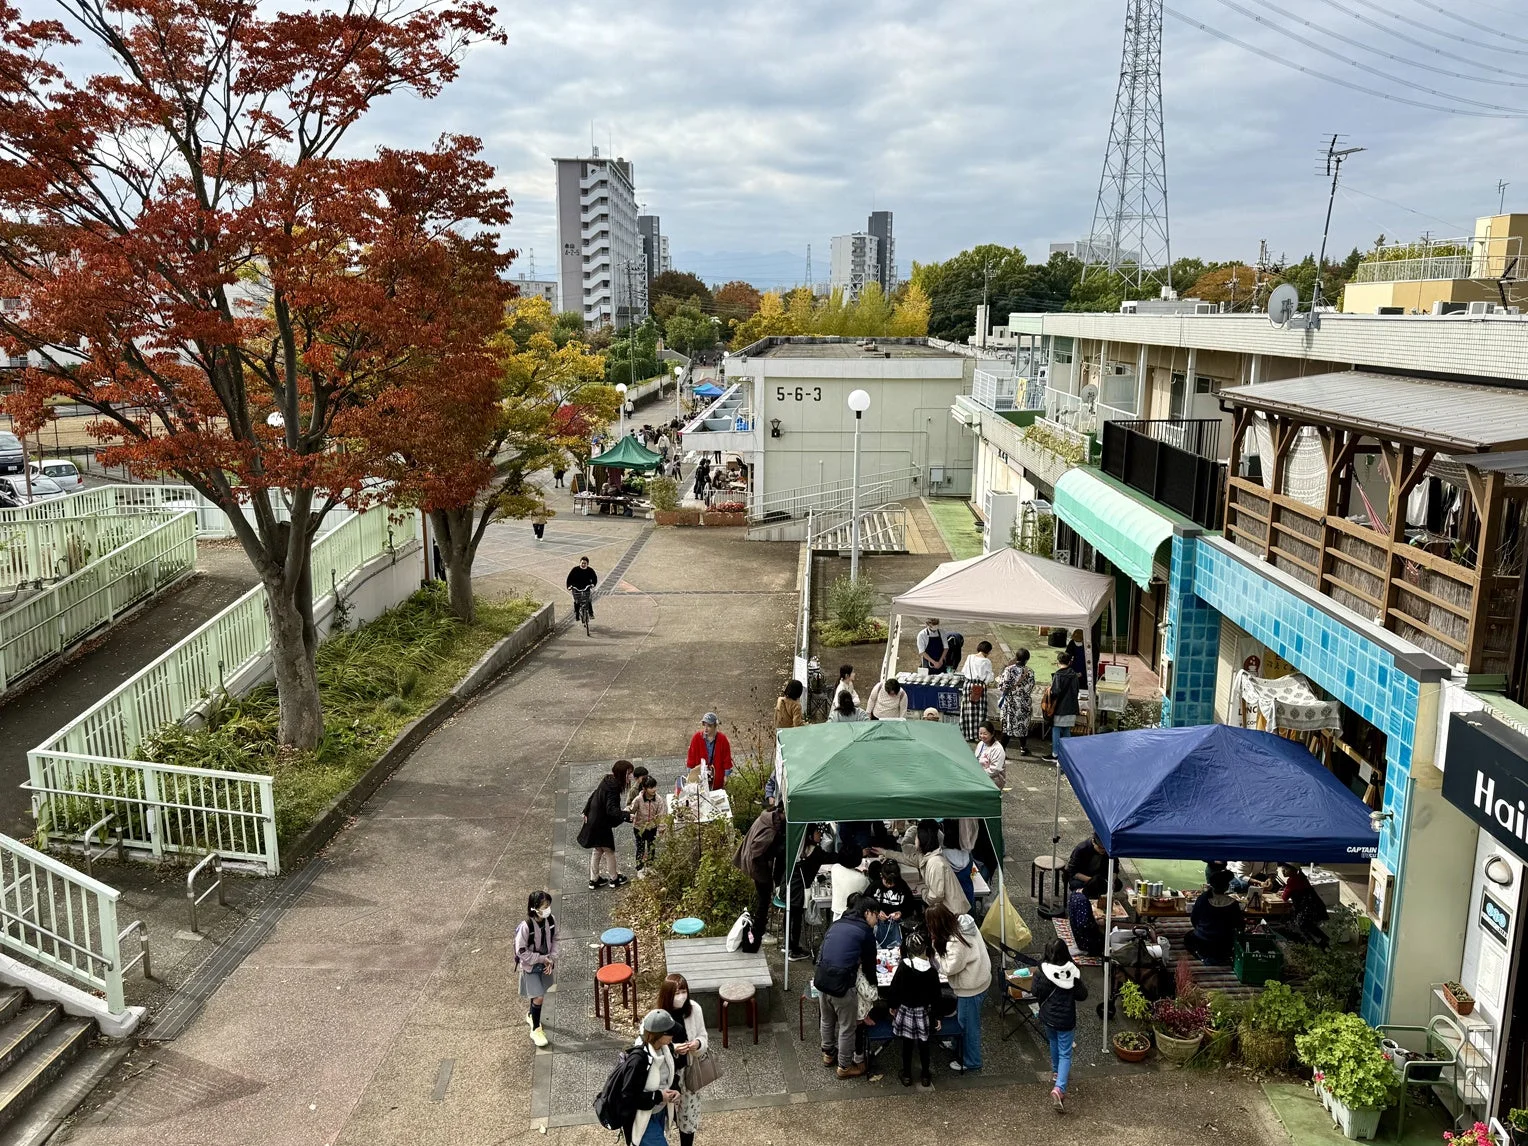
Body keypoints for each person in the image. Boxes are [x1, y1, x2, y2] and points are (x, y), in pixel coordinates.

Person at [814, 892, 878, 1078]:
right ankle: (844, 1066)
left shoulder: (837, 924)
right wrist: (874, 986)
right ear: (868, 913)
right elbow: (869, 965)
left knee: (826, 1019)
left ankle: (828, 1054)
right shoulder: (865, 932)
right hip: (843, 984)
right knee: (847, 1027)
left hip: (822, 978)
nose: (876, 921)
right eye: (876, 915)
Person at [927, 903, 990, 1075]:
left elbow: (948, 968)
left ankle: (972, 1061)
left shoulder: (957, 942)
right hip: (980, 978)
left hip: (971, 987)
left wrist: (934, 949)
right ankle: (956, 1043)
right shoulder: (964, 922)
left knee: (969, 1026)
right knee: (964, 1020)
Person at [1032, 937, 1089, 1112]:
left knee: (1053, 1042)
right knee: (1066, 1053)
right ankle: (1059, 1088)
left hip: (1048, 1017)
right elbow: (1082, 995)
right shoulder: (1073, 972)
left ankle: (1056, 1073)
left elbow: (1035, 991)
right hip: (1066, 1019)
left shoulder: (1043, 971)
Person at [658, 975, 709, 1146]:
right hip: (665, 1077)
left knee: (688, 1120)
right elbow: (651, 1046)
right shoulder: (659, 1016)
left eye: (684, 991)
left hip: (688, 1073)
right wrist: (673, 1049)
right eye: (676, 992)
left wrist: (698, 1044)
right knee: (663, 1117)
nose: (681, 996)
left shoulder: (695, 1009)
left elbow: (703, 1036)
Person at [885, 931, 940, 1089]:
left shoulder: (904, 966)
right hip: (923, 1012)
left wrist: (892, 1005)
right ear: (925, 949)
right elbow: (936, 995)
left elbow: (894, 988)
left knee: (907, 1044)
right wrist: (936, 1016)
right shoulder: (931, 970)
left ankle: (907, 1074)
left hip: (906, 1010)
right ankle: (925, 1075)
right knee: (924, 1045)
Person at [621, 1010, 681, 1146]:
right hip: (641, 1117)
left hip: (659, 1111)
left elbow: (671, 1076)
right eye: (670, 1032)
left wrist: (675, 1091)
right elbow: (628, 1096)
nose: (674, 1034)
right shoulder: (638, 1060)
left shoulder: (667, 1049)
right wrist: (659, 1097)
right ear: (658, 1035)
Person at [577, 759, 634, 889]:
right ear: (622, 774)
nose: (631, 776)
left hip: (594, 819)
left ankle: (594, 879)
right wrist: (627, 815)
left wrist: (586, 811)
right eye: (629, 773)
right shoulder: (614, 788)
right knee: (609, 851)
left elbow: (594, 795)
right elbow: (611, 810)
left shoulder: (607, 781)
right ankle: (614, 878)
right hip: (601, 824)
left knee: (597, 849)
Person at [515, 890, 558, 1048]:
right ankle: (535, 1029)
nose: (547, 909)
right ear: (534, 908)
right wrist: (541, 959)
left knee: (537, 995)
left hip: (546, 963)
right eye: (544, 906)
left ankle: (531, 1015)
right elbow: (521, 951)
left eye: (548, 905)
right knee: (539, 996)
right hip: (531, 967)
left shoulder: (551, 920)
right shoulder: (526, 927)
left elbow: (555, 940)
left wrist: (551, 959)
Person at [788, 823, 837, 960]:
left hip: (790, 885)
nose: (820, 835)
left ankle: (789, 946)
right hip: (799, 889)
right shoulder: (815, 851)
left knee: (792, 917)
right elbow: (832, 858)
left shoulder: (799, 848)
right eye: (817, 832)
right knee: (796, 919)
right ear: (810, 835)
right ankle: (794, 950)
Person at [736, 804, 785, 936]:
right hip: (757, 865)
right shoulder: (771, 828)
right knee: (764, 899)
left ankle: (761, 923)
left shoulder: (767, 817)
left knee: (763, 897)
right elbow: (757, 850)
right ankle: (759, 929)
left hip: (752, 861)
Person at [1185, 867, 1245, 963]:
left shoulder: (1203, 898)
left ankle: (1204, 954)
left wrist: (1204, 928)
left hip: (1203, 939)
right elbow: (1239, 925)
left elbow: (1194, 919)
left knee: (1188, 937)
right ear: (1226, 887)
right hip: (1224, 942)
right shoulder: (1233, 904)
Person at [914, 819, 970, 916]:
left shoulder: (935, 863)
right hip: (951, 911)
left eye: (916, 836)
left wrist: (924, 892)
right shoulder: (932, 857)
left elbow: (936, 895)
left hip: (951, 914)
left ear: (921, 839)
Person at [1276, 861, 1331, 948]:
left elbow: (1284, 897)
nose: (1283, 870)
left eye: (1286, 868)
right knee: (1306, 925)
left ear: (1294, 870)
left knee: (1302, 925)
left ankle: (1312, 946)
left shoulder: (1293, 880)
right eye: (1283, 868)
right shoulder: (1300, 877)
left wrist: (1282, 893)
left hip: (1308, 909)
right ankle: (1322, 941)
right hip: (1315, 906)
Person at [871, 857, 919, 946]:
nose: (889, 885)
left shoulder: (902, 886)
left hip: (897, 925)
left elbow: (910, 905)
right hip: (878, 924)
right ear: (881, 875)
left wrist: (901, 912)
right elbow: (866, 903)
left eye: (892, 882)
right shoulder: (875, 886)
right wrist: (876, 912)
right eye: (886, 881)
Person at [998, 648, 1036, 755]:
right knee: (1022, 725)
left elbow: (1002, 686)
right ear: (1027, 659)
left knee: (1007, 726)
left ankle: (1002, 751)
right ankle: (1023, 748)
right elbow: (1030, 688)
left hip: (1010, 702)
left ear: (1016, 657)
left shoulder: (1008, 670)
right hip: (1023, 702)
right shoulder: (1030, 672)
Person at [1046, 651, 1081, 759]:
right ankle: (1068, 753)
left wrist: (1049, 691)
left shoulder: (1058, 675)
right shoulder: (1074, 675)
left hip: (1060, 707)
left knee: (1056, 729)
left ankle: (1055, 753)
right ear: (1070, 662)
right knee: (1066, 730)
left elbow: (1056, 691)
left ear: (1058, 662)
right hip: (1071, 707)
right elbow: (1076, 690)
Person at [959, 640, 996, 742]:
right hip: (979, 686)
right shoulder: (986, 661)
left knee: (967, 710)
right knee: (979, 711)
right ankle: (977, 735)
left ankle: (967, 734)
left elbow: (964, 671)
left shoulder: (970, 657)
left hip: (968, 685)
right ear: (988, 651)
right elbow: (989, 677)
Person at [685, 713, 733, 788]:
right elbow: (691, 757)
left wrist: (726, 776)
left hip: (717, 778)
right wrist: (690, 774)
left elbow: (726, 759)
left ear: (715, 726)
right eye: (704, 725)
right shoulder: (697, 738)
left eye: (709, 726)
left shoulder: (722, 739)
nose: (706, 728)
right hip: (700, 778)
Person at [939, 817, 978, 908]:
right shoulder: (968, 855)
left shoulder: (942, 855)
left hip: (951, 902)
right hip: (967, 897)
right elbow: (972, 873)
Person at [628, 776, 662, 873]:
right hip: (639, 828)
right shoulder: (638, 799)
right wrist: (627, 814)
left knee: (652, 847)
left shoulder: (658, 799)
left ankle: (650, 866)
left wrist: (661, 828)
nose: (654, 789)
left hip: (652, 828)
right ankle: (640, 868)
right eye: (651, 787)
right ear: (644, 788)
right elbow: (631, 809)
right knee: (640, 848)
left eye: (655, 786)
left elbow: (661, 814)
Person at [1065, 877, 1105, 958]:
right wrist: (1097, 923)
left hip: (1076, 931)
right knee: (1106, 940)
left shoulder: (1076, 892)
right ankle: (1087, 950)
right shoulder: (1083, 902)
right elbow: (1084, 925)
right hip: (1083, 940)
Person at [829, 843, 870, 920]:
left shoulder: (835, 868)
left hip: (837, 910)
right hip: (853, 914)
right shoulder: (862, 879)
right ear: (858, 859)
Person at [974, 721, 1007, 788]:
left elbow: (994, 771)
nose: (982, 736)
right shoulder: (981, 744)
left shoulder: (997, 749)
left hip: (994, 779)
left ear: (992, 734)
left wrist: (978, 774)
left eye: (985, 734)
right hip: (980, 774)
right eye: (980, 733)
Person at [567, 556, 599, 620]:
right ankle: (577, 614)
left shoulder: (590, 570)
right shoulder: (575, 570)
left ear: (587, 564)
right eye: (582, 563)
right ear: (580, 563)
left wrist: (593, 584)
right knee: (577, 601)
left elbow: (594, 578)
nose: (583, 564)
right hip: (576, 588)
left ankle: (591, 613)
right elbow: (569, 579)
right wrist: (569, 586)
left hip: (586, 587)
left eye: (585, 563)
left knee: (588, 600)